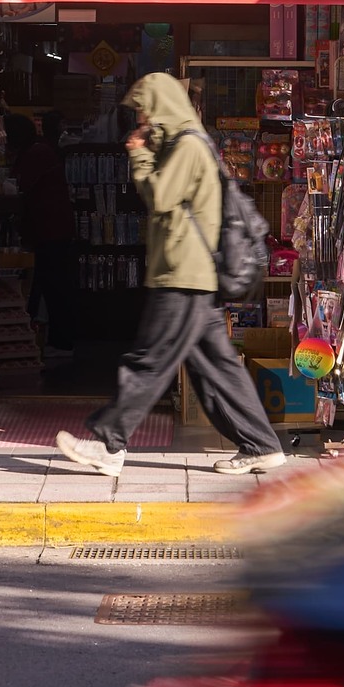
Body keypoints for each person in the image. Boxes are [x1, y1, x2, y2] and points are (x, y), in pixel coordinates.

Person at [55, 72, 286, 478]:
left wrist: (140, 155)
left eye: (144, 108)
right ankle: (262, 445)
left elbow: (161, 197)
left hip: (183, 276)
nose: (141, 117)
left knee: (150, 361)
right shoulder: (184, 144)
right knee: (217, 370)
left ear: (161, 105)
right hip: (190, 277)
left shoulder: (189, 146)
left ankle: (110, 444)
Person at [4, 112, 76, 356]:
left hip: (50, 230)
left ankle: (60, 341)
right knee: (52, 284)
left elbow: (21, 187)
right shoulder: (40, 150)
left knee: (53, 285)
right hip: (52, 228)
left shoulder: (36, 153)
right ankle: (52, 339)